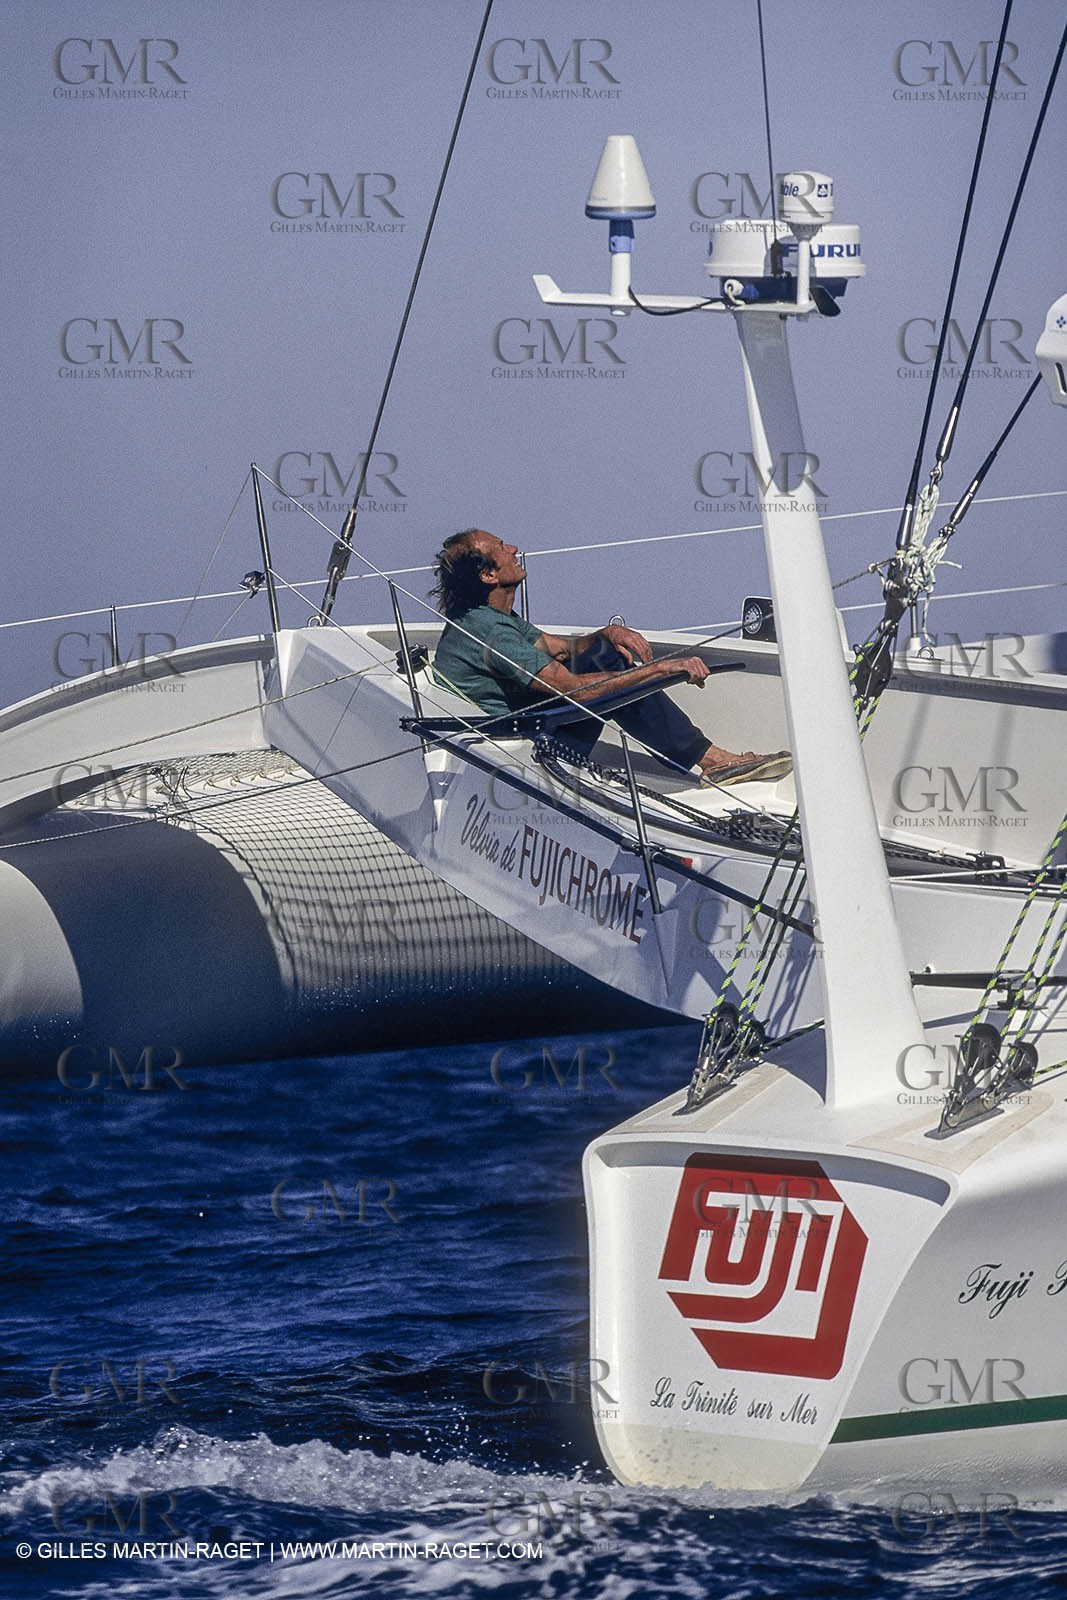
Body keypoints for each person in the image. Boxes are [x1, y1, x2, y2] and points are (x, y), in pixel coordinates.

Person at [429, 529, 791, 784]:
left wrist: (604, 634)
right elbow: (574, 691)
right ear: (489, 574)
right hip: (520, 748)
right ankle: (711, 760)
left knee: (605, 652)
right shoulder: (489, 633)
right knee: (612, 667)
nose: (513, 548)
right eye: (502, 546)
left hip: (532, 725)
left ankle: (706, 756)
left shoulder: (491, 618)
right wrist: (659, 670)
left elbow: (559, 650)